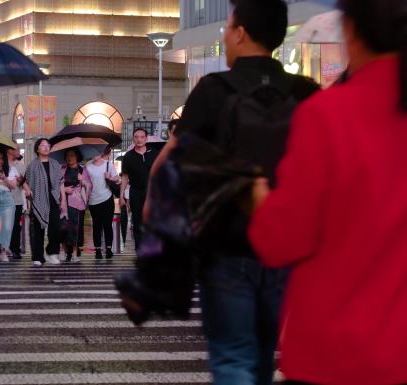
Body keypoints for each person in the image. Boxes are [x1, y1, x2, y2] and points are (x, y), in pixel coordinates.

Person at [150, 0, 319, 384]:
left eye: (227, 27)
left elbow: (171, 160)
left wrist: (154, 212)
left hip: (225, 248)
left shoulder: (213, 90)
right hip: (286, 249)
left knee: (232, 356)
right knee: (262, 353)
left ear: (241, 33)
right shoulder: (305, 92)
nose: (224, 36)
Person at [249, 1, 407, 384]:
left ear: (351, 31)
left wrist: (257, 198)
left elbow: (281, 240)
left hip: (336, 351)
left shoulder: (328, 115)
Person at [23, 138, 65, 267]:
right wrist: (28, 189)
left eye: (48, 145)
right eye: (43, 145)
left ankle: (52, 252)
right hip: (38, 200)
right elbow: (24, 181)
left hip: (53, 199)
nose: (46, 147)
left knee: (56, 228)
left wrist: (63, 199)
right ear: (37, 149)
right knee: (37, 230)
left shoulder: (55, 164)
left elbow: (61, 183)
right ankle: (38, 257)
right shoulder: (32, 166)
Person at [120, 128, 158, 252]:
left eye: (142, 137)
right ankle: (139, 248)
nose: (139, 139)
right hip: (135, 191)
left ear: (146, 139)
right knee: (137, 220)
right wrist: (121, 196)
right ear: (133, 138)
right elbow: (125, 177)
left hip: (152, 192)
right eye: (136, 137)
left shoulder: (154, 154)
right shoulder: (128, 156)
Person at [86, 147, 120, 259]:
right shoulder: (87, 166)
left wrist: (110, 177)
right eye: (92, 152)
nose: (94, 154)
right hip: (93, 200)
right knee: (96, 225)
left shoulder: (108, 164)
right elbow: (85, 182)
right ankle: (98, 250)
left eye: (97, 152)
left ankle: (109, 249)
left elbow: (117, 178)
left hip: (107, 198)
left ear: (101, 152)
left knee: (107, 225)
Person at [61, 149, 91, 262]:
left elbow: (89, 185)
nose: (70, 158)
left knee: (76, 228)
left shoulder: (82, 170)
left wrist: (83, 181)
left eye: (72, 155)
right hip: (63, 202)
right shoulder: (62, 169)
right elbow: (55, 185)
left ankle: (74, 253)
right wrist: (64, 189)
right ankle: (63, 251)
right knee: (63, 227)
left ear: (77, 157)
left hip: (77, 202)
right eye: (68, 155)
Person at [8, 145, 26, 259]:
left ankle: (15, 249)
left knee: (16, 226)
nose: (17, 151)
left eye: (18, 149)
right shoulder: (3, 164)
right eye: (15, 149)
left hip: (17, 200)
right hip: (4, 199)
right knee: (5, 225)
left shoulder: (21, 167)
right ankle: (4, 248)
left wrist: (20, 180)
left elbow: (22, 183)